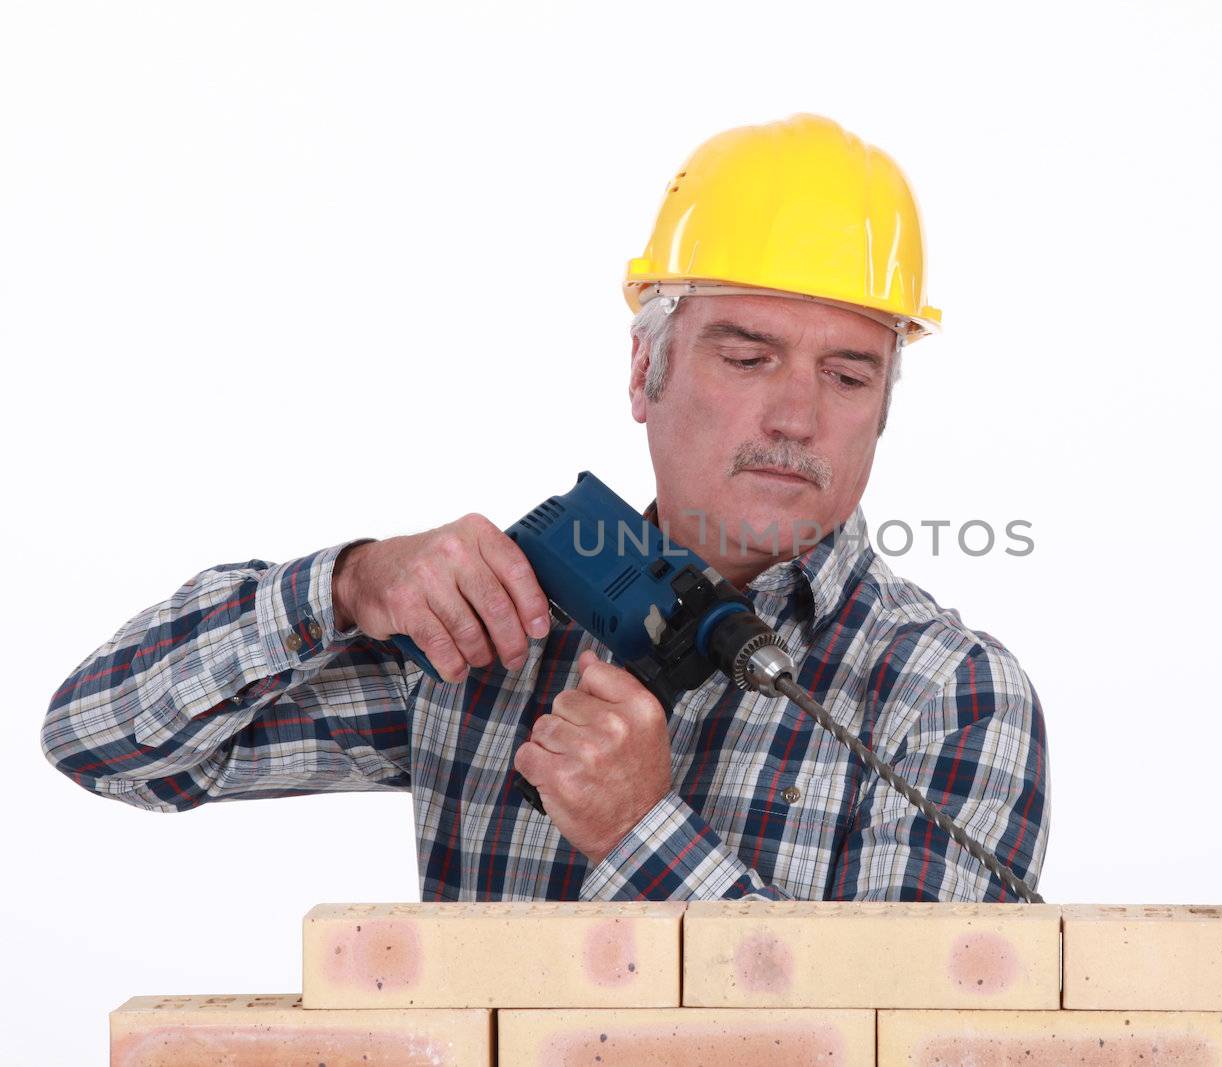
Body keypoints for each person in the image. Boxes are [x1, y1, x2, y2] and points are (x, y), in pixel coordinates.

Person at [41, 114, 1050, 902]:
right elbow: (100, 738)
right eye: (746, 356)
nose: (794, 416)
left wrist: (641, 834)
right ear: (643, 366)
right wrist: (347, 584)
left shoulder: (948, 694)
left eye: (846, 375)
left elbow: (911, 1040)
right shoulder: (501, 626)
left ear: (882, 409)